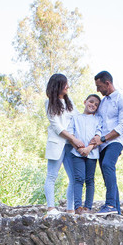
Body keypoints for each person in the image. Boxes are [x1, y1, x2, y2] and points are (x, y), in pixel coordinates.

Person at [90, 70, 123, 215]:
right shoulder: (102, 103)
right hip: (101, 146)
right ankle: (116, 212)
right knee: (108, 176)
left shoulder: (122, 100)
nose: (97, 90)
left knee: (108, 164)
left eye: (99, 86)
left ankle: (110, 205)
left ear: (107, 83)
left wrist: (102, 138)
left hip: (114, 141)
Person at [44, 73, 85, 213]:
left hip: (69, 146)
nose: (68, 86)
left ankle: (70, 209)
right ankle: (51, 207)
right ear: (58, 85)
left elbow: (77, 118)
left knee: (74, 178)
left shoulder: (69, 102)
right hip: (57, 144)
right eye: (65, 84)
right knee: (51, 176)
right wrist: (73, 139)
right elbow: (57, 127)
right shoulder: (49, 103)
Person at [67, 94, 103, 214]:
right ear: (85, 102)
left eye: (96, 104)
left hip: (92, 153)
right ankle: (78, 207)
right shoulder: (76, 118)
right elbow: (70, 135)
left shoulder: (98, 119)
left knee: (89, 179)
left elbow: (98, 135)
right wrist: (79, 149)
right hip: (77, 153)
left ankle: (88, 207)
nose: (92, 105)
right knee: (79, 178)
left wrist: (89, 148)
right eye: (91, 102)